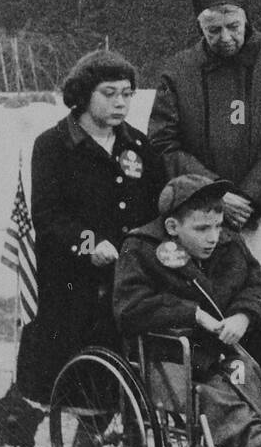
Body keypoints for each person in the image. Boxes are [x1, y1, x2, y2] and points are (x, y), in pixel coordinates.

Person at [148, 0, 261, 410]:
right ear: (199, 27)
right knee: (216, 314)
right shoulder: (178, 71)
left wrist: (251, 196)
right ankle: (223, 421)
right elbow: (163, 142)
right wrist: (217, 197)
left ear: (246, 18)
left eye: (233, 27)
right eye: (213, 31)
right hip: (204, 220)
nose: (226, 38)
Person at [113, 174, 261, 447]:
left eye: (218, 225)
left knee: (246, 374)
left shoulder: (228, 243)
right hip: (169, 358)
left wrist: (243, 315)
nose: (213, 237)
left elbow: (260, 285)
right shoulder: (141, 249)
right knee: (213, 394)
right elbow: (130, 308)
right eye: (202, 229)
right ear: (172, 228)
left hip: (222, 353)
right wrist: (192, 314)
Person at [16, 50, 164, 407]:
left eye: (127, 94)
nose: (120, 103)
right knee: (86, 388)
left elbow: (158, 205)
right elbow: (49, 216)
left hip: (131, 277)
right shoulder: (52, 146)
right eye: (109, 93)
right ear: (83, 94)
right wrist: (90, 244)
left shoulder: (139, 145)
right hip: (74, 279)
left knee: (131, 386)